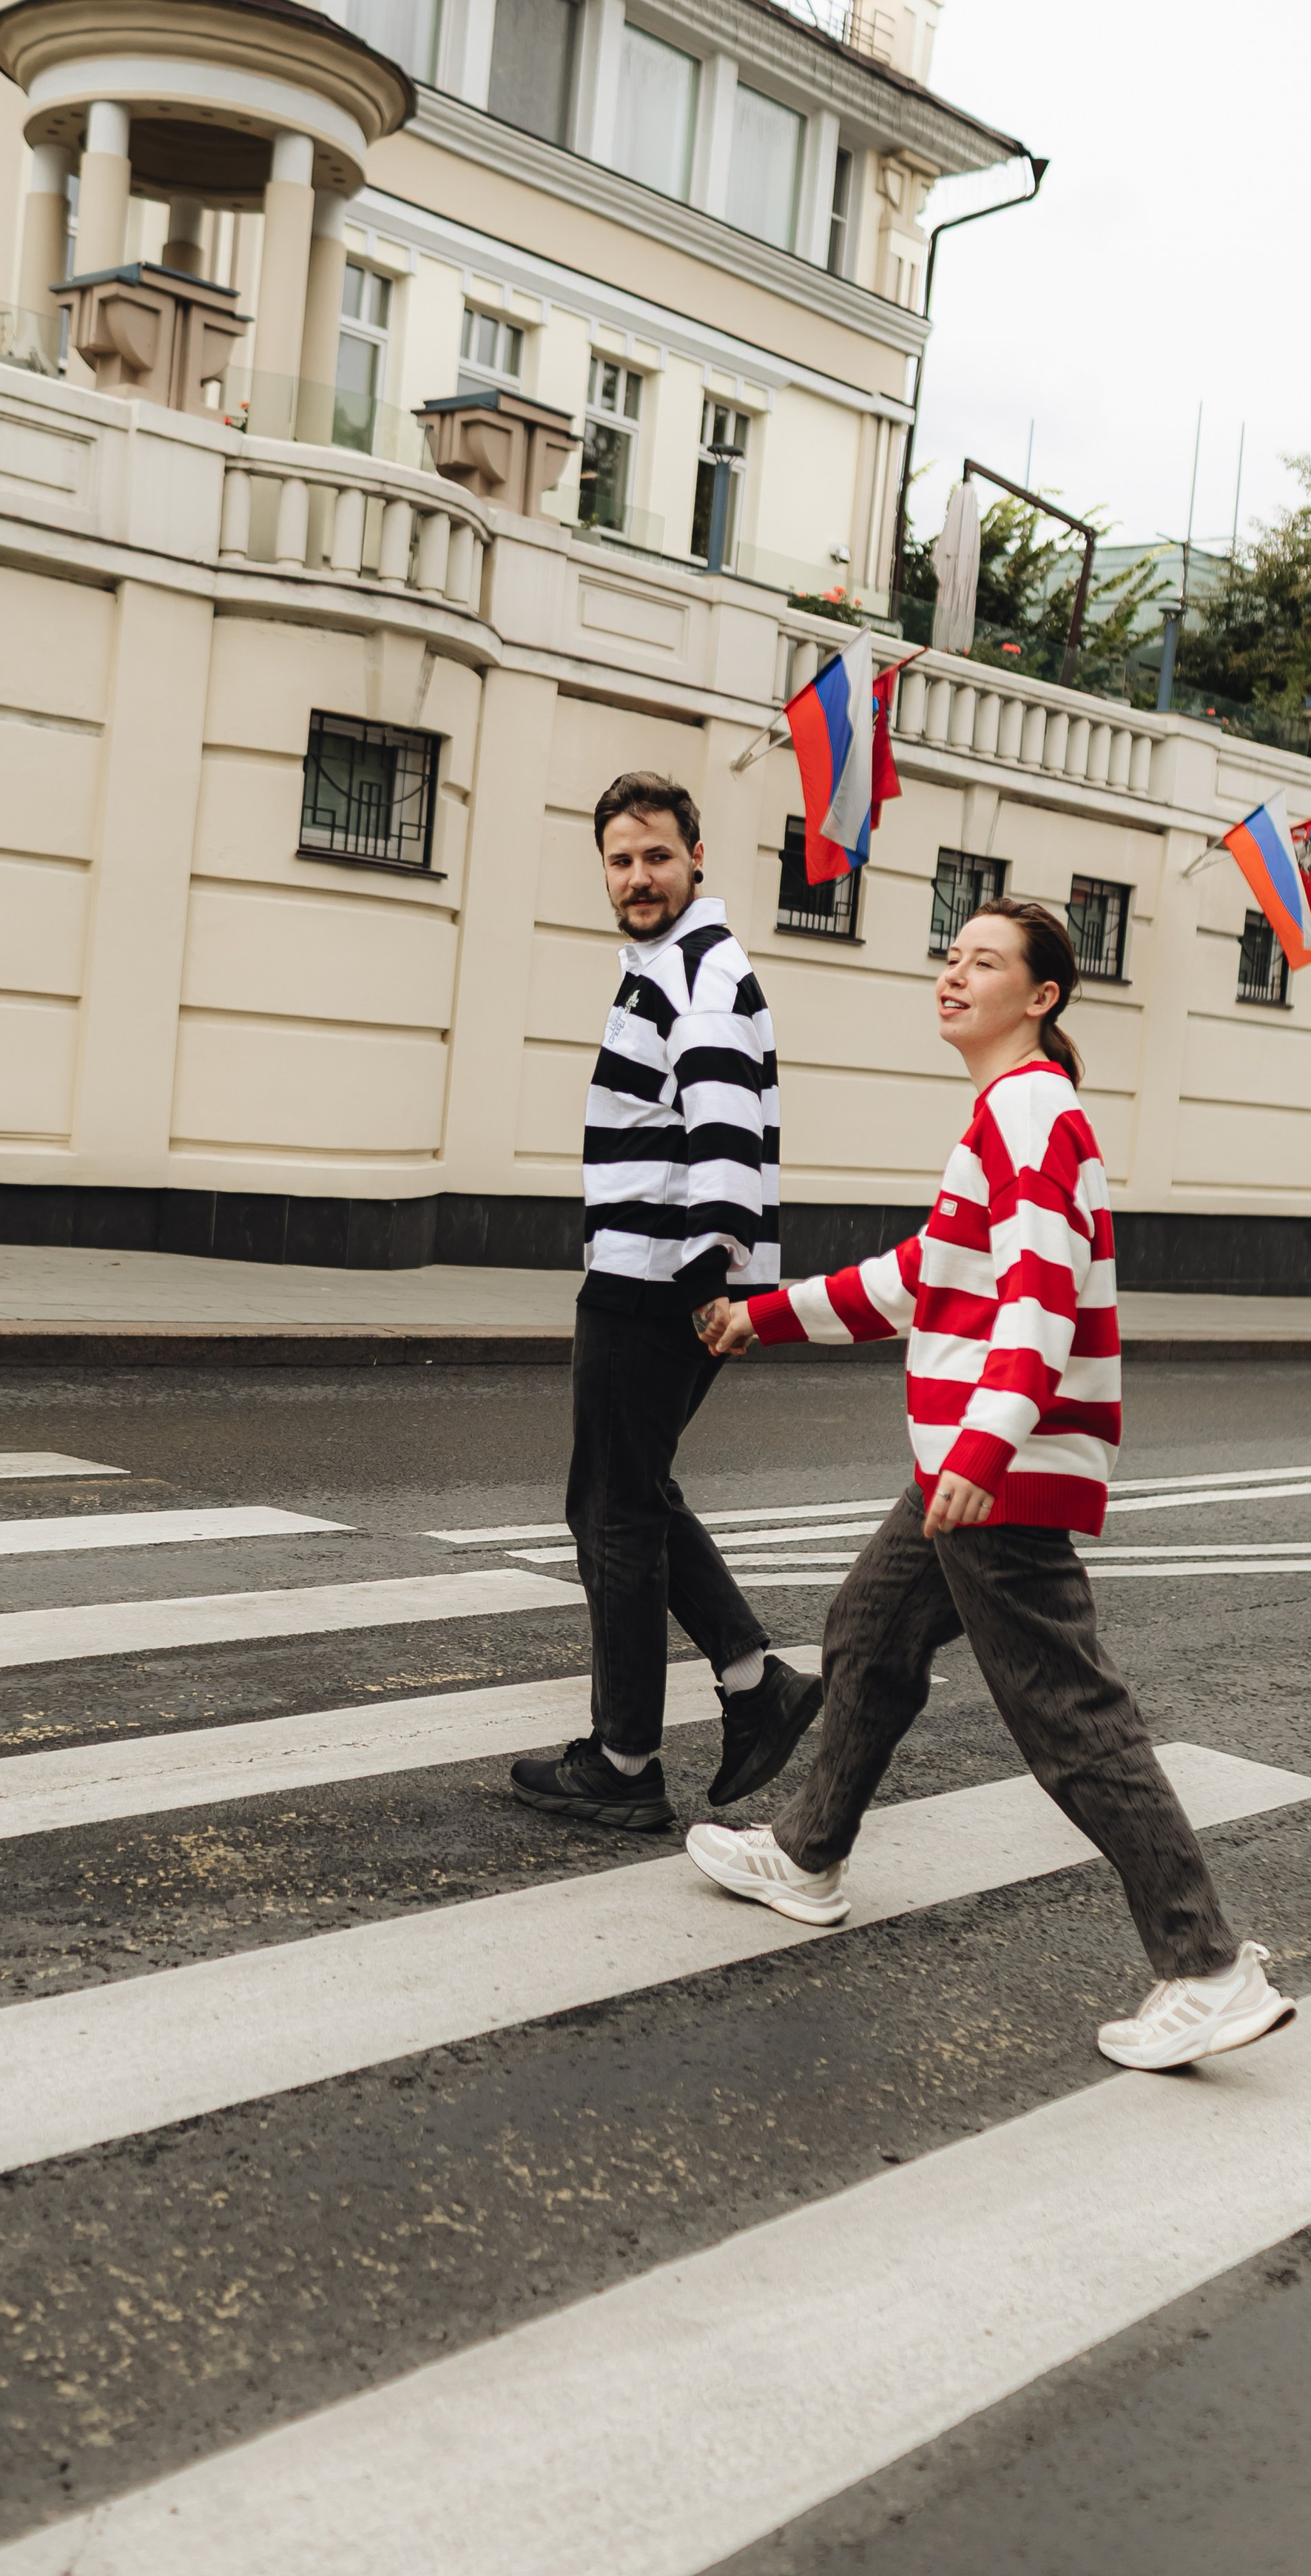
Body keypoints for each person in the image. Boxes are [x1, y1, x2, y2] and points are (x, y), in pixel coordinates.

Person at [689, 898, 1294, 2071]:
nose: (953, 975)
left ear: (1043, 996)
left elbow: (1039, 1297)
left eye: (985, 962)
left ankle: (1207, 1964)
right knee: (867, 1631)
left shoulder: (1030, 1111)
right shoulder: (1010, 1117)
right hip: (970, 1460)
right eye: (950, 956)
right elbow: (925, 1277)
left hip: (991, 1467)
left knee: (1069, 1717)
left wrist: (981, 1453)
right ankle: (809, 1855)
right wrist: (766, 1320)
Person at [510, 771, 823, 1833]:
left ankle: (626, 1759)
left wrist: (702, 1273)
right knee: (626, 1496)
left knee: (612, 1513)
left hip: (656, 1283)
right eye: (620, 859)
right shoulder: (670, 965)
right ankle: (752, 1687)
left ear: (698, 859)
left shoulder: (698, 972)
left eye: (656, 856)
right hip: (654, 1272)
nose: (638, 876)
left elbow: (725, 1131)